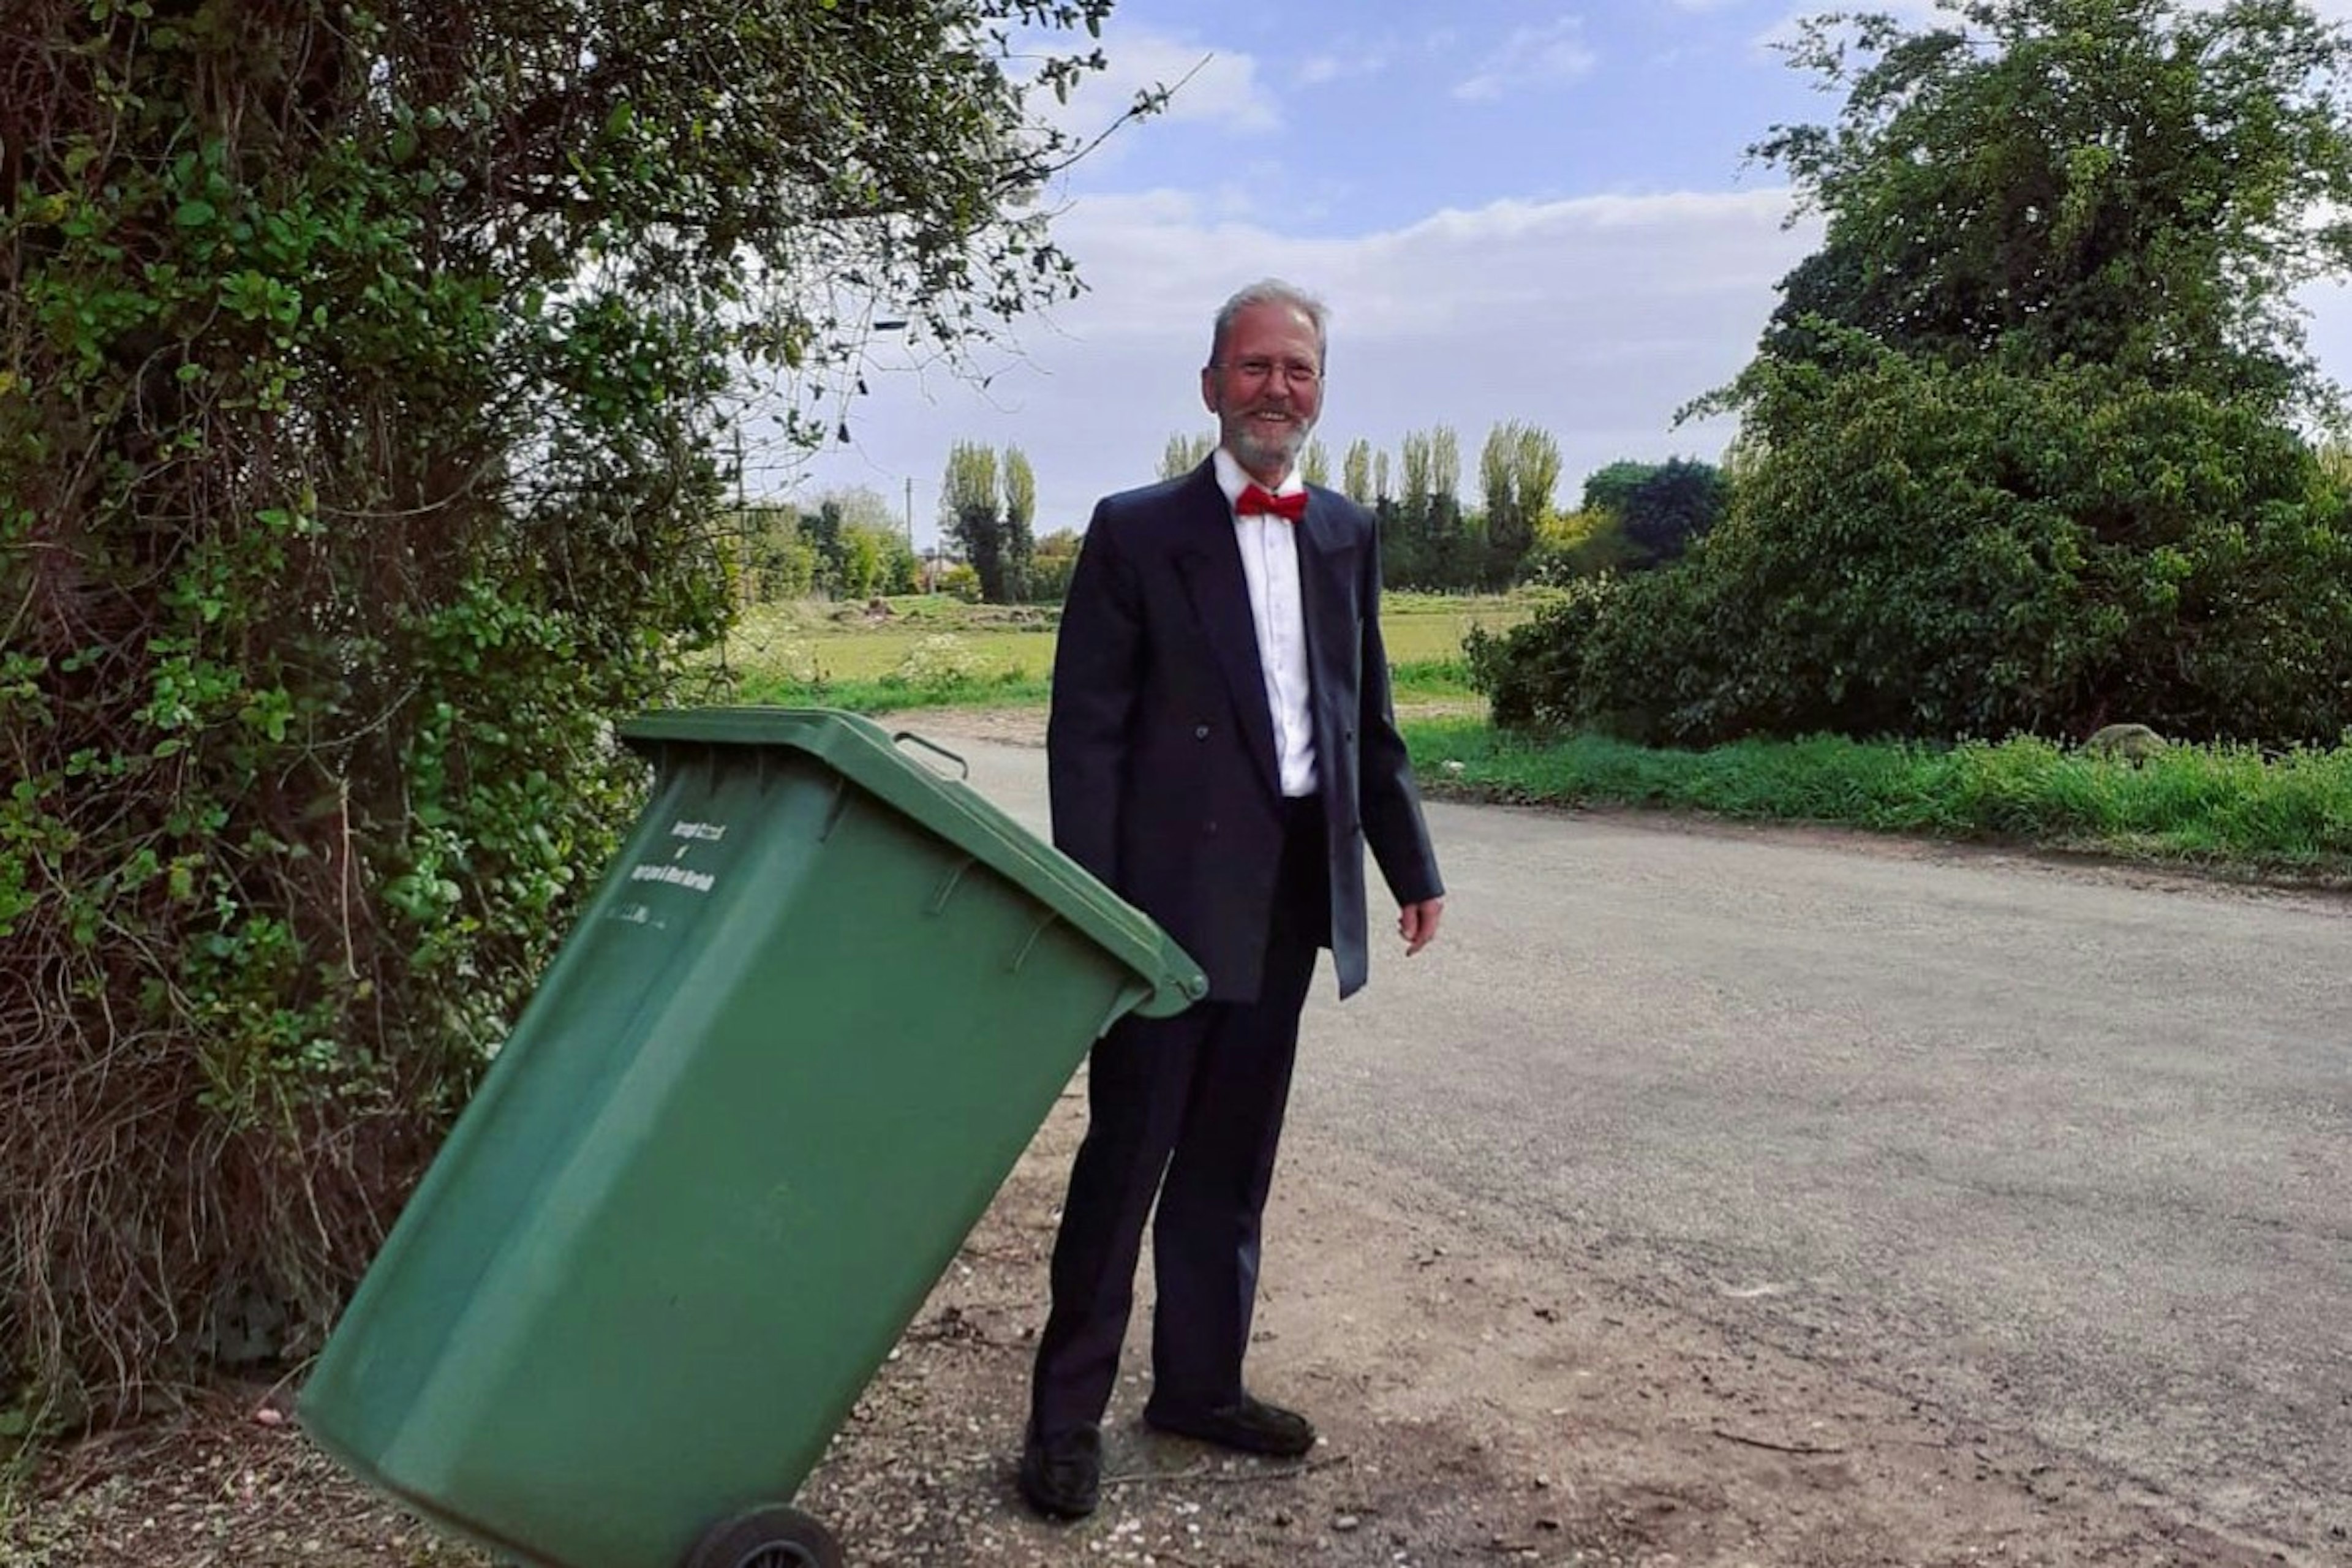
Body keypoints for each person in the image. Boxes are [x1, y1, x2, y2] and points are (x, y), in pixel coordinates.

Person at [1019, 278, 1447, 1521]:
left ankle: (1198, 1384)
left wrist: (1407, 863)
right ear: (1212, 387)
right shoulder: (1135, 528)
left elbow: (1364, 720)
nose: (1276, 390)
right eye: (1253, 368)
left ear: (1320, 391)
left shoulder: (1347, 531)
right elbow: (1085, 734)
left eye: (1297, 371)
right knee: (1126, 1161)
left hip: (1288, 900)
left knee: (1231, 1166)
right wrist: (1097, 909)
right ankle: (1062, 1419)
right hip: (1160, 912)